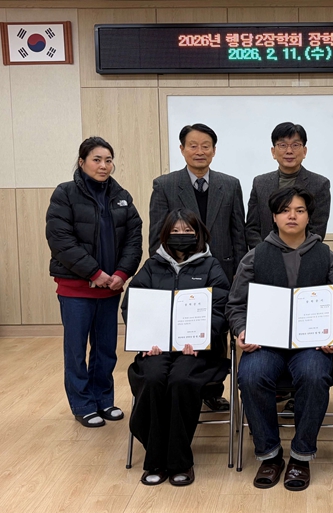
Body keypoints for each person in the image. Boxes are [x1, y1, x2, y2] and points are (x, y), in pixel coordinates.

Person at [227, 186, 333, 491]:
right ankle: (269, 455)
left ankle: (301, 456)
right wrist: (241, 330)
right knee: (251, 375)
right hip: (265, 344)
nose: (292, 216)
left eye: (299, 210)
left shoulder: (327, 257)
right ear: (274, 216)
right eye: (285, 210)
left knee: (314, 374)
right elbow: (236, 305)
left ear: (309, 216)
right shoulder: (255, 256)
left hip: (311, 345)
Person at [123, 209, 230, 487]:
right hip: (156, 348)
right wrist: (145, 340)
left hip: (197, 351)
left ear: (199, 234)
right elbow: (132, 305)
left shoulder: (211, 267)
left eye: (188, 231)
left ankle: (179, 461)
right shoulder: (151, 266)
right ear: (165, 234)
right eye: (175, 231)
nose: (181, 236)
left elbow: (221, 309)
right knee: (152, 378)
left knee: (181, 379)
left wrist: (202, 338)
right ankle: (156, 458)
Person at [45, 136, 142, 428]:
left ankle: (103, 399)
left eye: (108, 160)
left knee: (105, 350)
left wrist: (122, 273)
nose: (103, 166)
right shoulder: (65, 193)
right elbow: (60, 240)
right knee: (76, 351)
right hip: (77, 288)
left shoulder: (121, 195)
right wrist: (94, 273)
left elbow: (134, 239)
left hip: (110, 288)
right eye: (97, 160)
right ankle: (83, 404)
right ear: (82, 162)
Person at [149, 122, 246, 411]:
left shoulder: (230, 184)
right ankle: (179, 384)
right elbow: (157, 236)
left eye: (206, 146)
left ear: (214, 151)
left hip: (221, 273)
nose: (199, 151)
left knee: (216, 332)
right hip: (180, 274)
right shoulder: (165, 185)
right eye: (193, 145)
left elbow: (238, 234)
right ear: (182, 149)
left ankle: (212, 389)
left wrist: (240, 274)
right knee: (182, 328)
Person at [245, 122, 331, 249]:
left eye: (295, 145)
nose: (289, 151)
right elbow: (252, 228)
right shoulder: (260, 183)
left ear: (304, 151)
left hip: (303, 255)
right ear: (273, 152)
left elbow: (317, 229)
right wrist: (264, 253)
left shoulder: (320, 184)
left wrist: (294, 254)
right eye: (282, 145)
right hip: (265, 255)